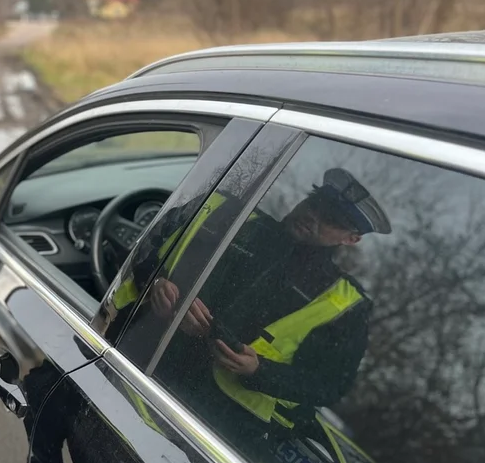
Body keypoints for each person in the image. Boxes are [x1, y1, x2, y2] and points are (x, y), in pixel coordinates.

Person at [148, 167, 391, 445]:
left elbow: (329, 385)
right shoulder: (230, 219)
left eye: (331, 218)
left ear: (351, 239)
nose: (314, 215)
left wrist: (259, 371)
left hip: (216, 424)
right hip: (146, 358)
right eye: (314, 203)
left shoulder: (346, 303)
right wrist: (156, 284)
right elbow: (148, 249)